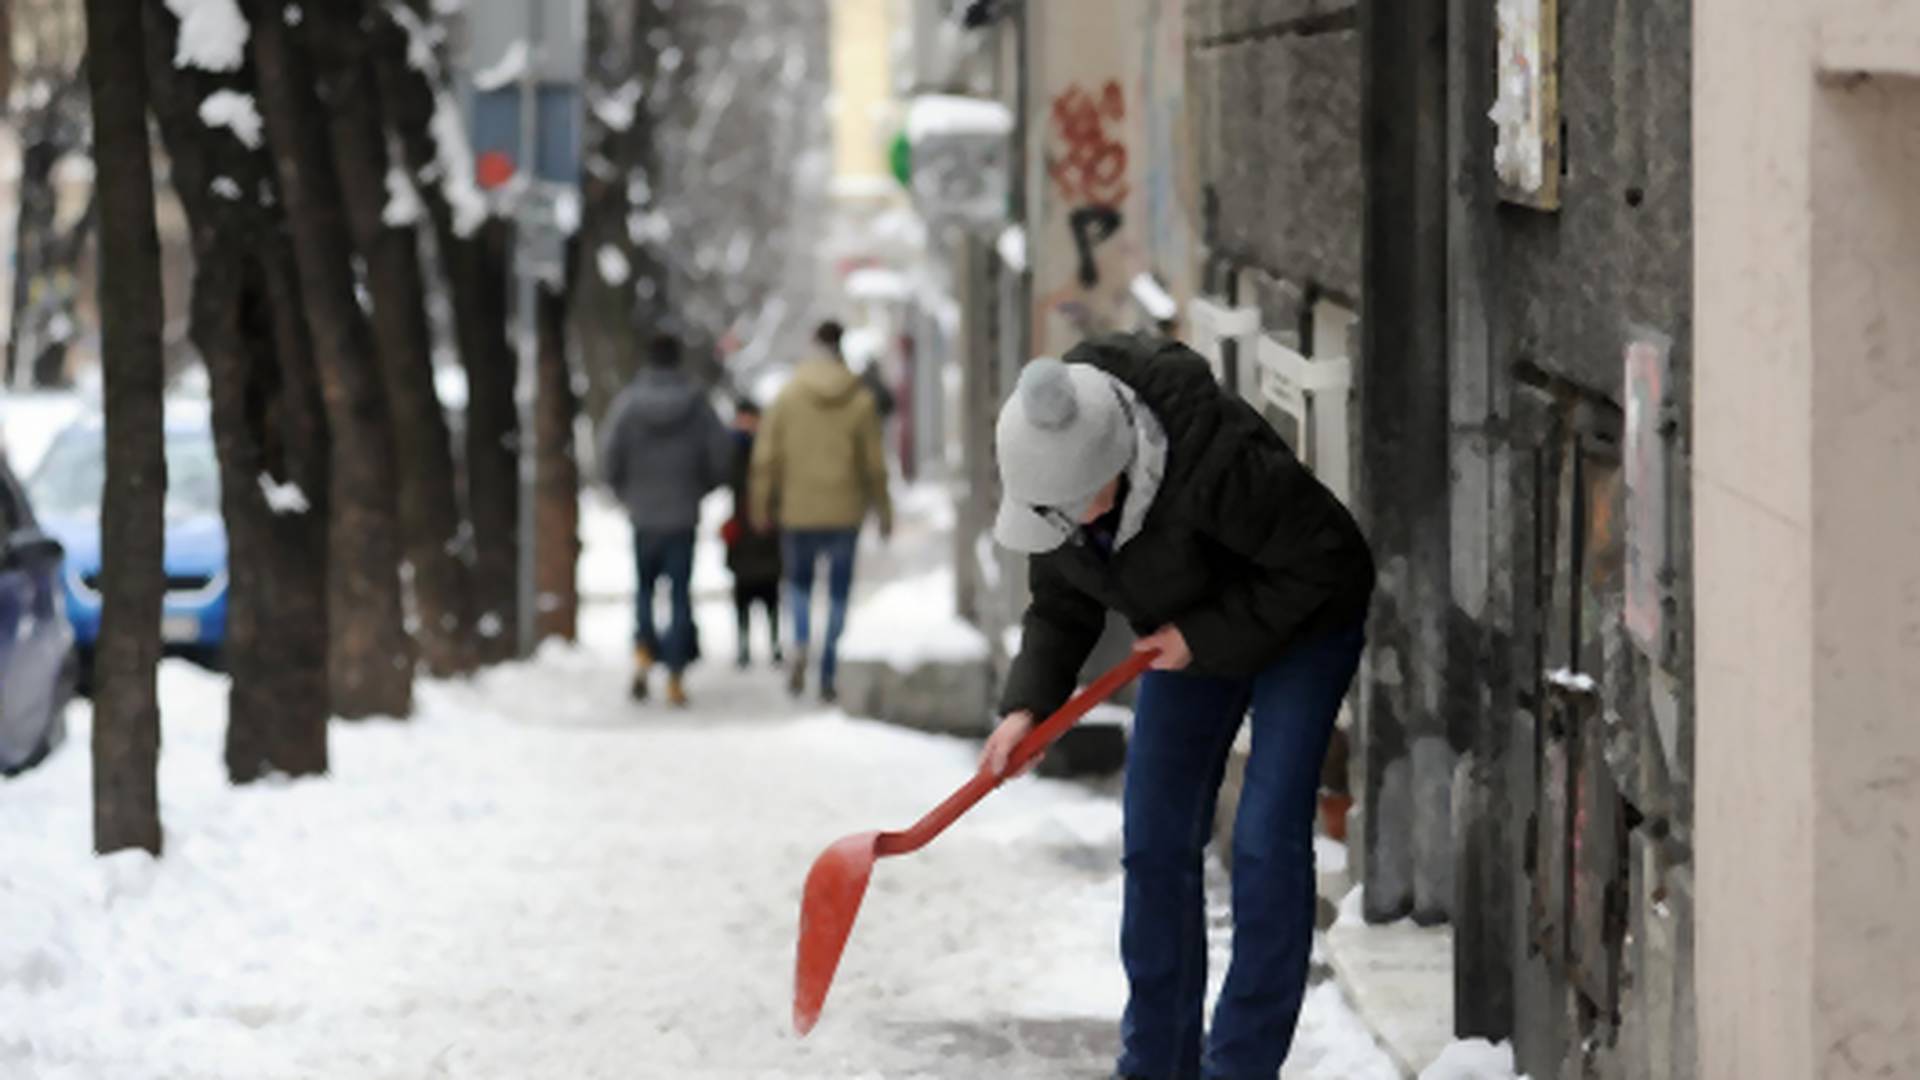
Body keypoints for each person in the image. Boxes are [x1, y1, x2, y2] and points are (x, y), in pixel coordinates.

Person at [978, 334, 1376, 1080]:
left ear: (1116, 470)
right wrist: (1026, 708)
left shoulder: (1214, 465)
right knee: (1155, 836)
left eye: (1075, 510)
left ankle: (1241, 1065)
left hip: (1302, 617)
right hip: (1187, 632)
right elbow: (1061, 608)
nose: (1066, 526)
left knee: (1264, 839)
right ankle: (1155, 1063)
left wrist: (1202, 635)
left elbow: (1335, 557)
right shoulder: (1057, 490)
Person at [749, 320, 892, 704]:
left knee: (798, 584)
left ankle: (798, 642)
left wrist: (759, 504)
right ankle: (827, 667)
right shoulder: (860, 399)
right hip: (845, 511)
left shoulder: (788, 396)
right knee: (839, 594)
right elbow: (874, 464)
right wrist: (884, 511)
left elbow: (766, 458)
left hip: (797, 511)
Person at [600, 334, 733, 707]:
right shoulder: (696, 404)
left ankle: (643, 650)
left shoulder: (628, 405)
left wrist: (627, 494)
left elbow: (608, 454)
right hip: (682, 515)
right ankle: (675, 671)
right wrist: (698, 489)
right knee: (678, 593)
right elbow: (720, 456)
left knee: (643, 588)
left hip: (643, 515)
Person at [724, 400, 784, 668]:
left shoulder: (769, 446)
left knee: (771, 594)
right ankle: (743, 646)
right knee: (742, 595)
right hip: (742, 531)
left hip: (766, 532)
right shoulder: (731, 448)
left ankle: (774, 644)